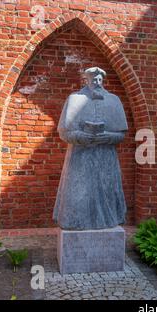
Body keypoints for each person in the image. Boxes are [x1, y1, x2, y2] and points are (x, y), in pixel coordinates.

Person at [53, 67, 128, 230]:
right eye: (94, 80)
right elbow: (64, 133)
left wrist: (107, 136)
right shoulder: (74, 99)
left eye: (100, 80)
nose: (97, 83)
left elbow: (121, 135)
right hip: (80, 157)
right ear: (86, 80)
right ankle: (76, 222)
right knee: (79, 193)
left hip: (105, 157)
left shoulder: (114, 100)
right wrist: (80, 136)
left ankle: (107, 221)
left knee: (106, 192)